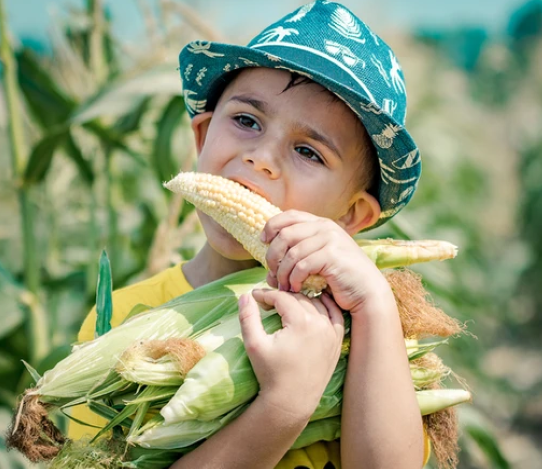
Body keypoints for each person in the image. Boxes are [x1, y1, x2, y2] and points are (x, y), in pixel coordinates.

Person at [69, 2, 427, 467]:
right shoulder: (121, 320)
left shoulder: (367, 335)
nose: (261, 157)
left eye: (308, 151)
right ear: (202, 137)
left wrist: (376, 305)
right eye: (246, 121)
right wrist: (284, 406)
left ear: (351, 216)